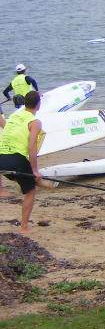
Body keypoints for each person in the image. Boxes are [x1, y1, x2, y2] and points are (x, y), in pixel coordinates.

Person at [0, 91, 46, 233]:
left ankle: (40, 182)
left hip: (1, 157)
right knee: (30, 191)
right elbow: (32, 147)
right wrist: (35, 170)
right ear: (38, 105)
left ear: (24, 103)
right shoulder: (35, 122)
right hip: (16, 159)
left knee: (24, 178)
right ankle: (24, 227)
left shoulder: (14, 116)